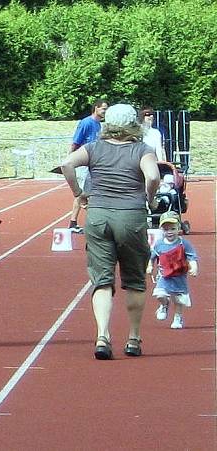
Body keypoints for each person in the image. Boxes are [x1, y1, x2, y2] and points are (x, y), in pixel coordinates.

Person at [61, 103, 160, 360]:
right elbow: (152, 177)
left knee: (102, 280)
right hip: (131, 216)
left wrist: (79, 194)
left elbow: (67, 164)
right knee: (135, 280)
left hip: (98, 216)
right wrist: (149, 199)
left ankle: (102, 336)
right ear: (133, 125)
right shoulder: (142, 149)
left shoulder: (93, 148)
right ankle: (134, 338)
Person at [148, 211, 198, 329]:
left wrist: (194, 266)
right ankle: (164, 305)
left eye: (172, 228)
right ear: (161, 230)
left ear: (178, 229)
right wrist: (149, 266)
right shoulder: (159, 244)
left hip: (179, 276)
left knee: (178, 299)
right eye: (166, 229)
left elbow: (192, 257)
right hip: (164, 276)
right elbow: (152, 257)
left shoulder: (184, 243)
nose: (169, 232)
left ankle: (177, 317)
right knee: (160, 294)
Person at [67, 99, 108, 233]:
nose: (105, 111)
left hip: (93, 162)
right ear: (96, 108)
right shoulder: (86, 123)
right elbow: (75, 142)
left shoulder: (98, 125)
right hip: (83, 161)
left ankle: (78, 221)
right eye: (103, 109)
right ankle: (75, 222)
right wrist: (70, 159)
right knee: (82, 193)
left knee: (87, 193)